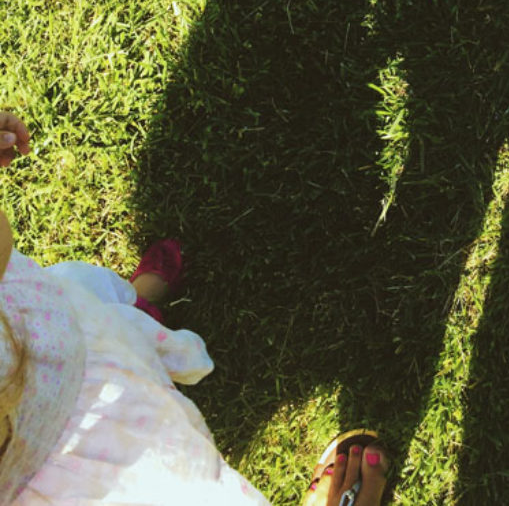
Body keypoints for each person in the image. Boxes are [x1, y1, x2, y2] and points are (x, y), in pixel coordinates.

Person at [0, 112, 389, 506]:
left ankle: (138, 311)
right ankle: (134, 319)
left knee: (104, 306)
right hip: (92, 465)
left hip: (54, 321)